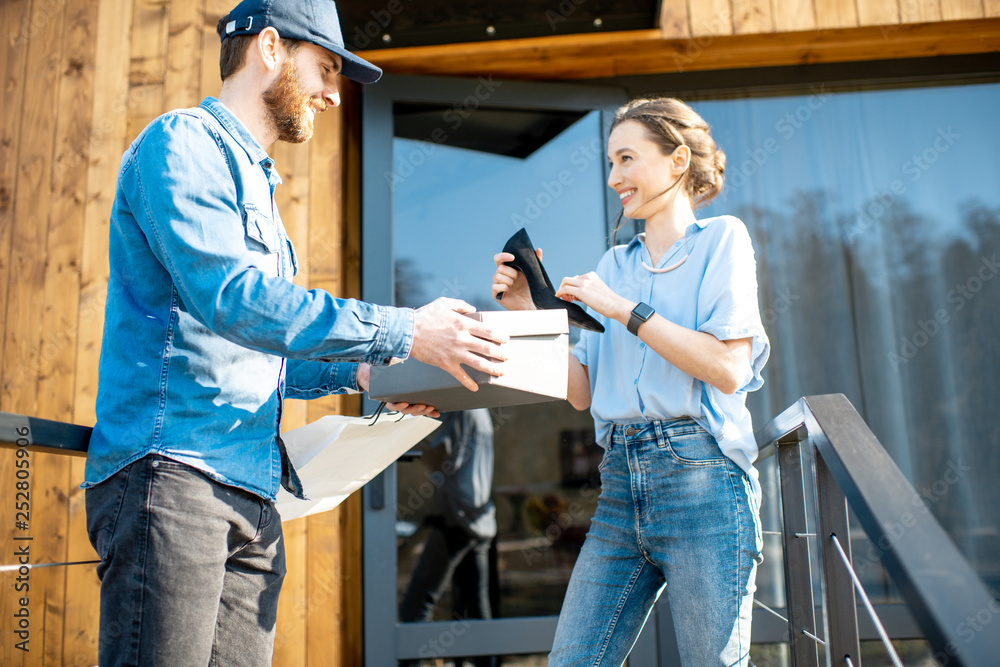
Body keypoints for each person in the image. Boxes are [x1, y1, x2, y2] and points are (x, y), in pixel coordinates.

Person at [82, 1, 507, 665]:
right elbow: (234, 300)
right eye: (327, 69)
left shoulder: (262, 196)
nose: (336, 94)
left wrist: (367, 373)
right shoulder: (182, 146)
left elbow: (263, 350)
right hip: (174, 482)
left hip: (252, 497)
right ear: (272, 49)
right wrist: (403, 331)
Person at [491, 97, 769, 666]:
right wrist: (527, 312)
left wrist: (625, 310)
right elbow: (582, 391)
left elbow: (728, 367)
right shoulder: (614, 264)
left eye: (626, 159)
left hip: (704, 481)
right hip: (620, 483)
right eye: (610, 164)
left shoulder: (723, 240)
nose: (614, 178)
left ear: (676, 161)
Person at [399, 409, 498, 667]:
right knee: (475, 609)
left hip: (456, 518)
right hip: (478, 520)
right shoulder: (481, 410)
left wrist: (400, 439)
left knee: (417, 603)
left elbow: (440, 458)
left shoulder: (461, 407)